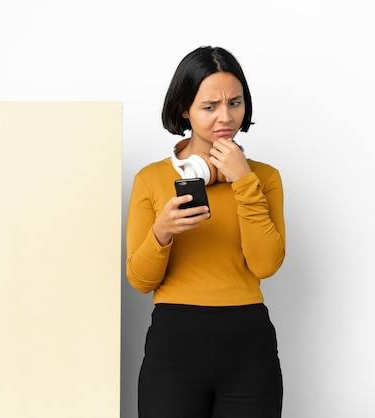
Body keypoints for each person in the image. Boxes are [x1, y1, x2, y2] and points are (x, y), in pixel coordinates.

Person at [126, 46, 286, 417]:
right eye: (209, 106)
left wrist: (244, 180)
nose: (226, 117)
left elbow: (265, 264)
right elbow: (140, 279)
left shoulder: (264, 177)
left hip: (249, 346)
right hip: (173, 345)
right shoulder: (151, 179)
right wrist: (162, 232)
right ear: (185, 109)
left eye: (235, 102)